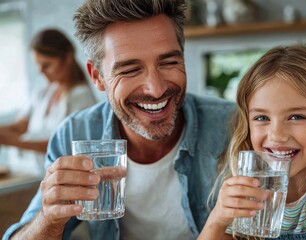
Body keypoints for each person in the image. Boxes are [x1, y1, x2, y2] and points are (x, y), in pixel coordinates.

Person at [3, 0, 235, 239]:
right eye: (129, 70)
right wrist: (49, 218)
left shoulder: (232, 125)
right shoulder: (76, 134)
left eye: (169, 62)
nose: (155, 89)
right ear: (98, 76)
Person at [199, 45, 306, 240]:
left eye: (296, 117)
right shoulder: (246, 189)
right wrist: (217, 219)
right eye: (261, 118)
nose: (277, 135)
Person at [0, 29, 97, 175]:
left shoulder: (81, 97)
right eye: (38, 65)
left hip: (60, 177)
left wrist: (13, 141)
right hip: (31, 173)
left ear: (68, 58)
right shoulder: (43, 91)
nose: (40, 71)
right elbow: (20, 127)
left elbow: (64, 146)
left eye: (46, 65)